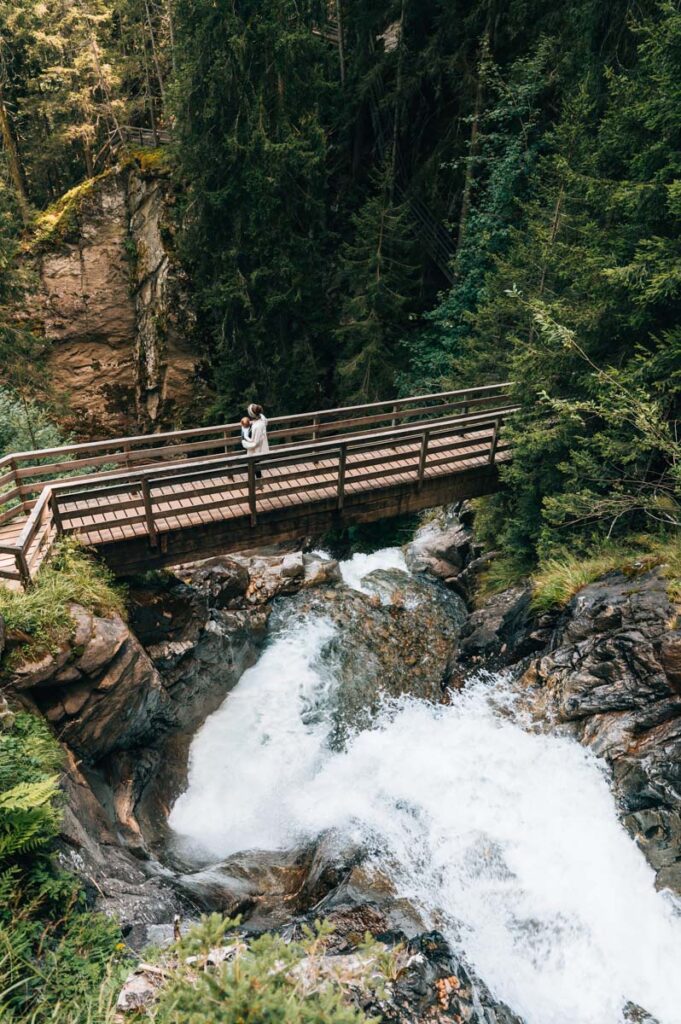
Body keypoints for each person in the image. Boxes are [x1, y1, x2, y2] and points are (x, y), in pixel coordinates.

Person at [240, 403, 269, 479]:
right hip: (260, 446)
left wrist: (244, 443)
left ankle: (258, 483)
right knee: (256, 465)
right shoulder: (262, 420)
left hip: (256, 449)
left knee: (254, 465)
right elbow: (264, 418)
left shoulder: (257, 426)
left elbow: (255, 443)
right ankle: (259, 482)